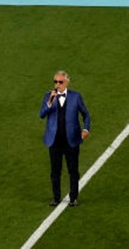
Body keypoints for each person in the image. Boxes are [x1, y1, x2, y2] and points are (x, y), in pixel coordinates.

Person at [40, 71, 91, 207]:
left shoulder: (76, 97)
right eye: (55, 82)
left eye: (60, 82)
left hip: (71, 140)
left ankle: (73, 197)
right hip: (54, 141)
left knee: (73, 170)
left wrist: (85, 129)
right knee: (55, 171)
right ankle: (56, 197)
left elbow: (86, 114)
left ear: (67, 83)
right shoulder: (48, 96)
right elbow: (41, 114)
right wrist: (50, 102)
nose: (57, 85)